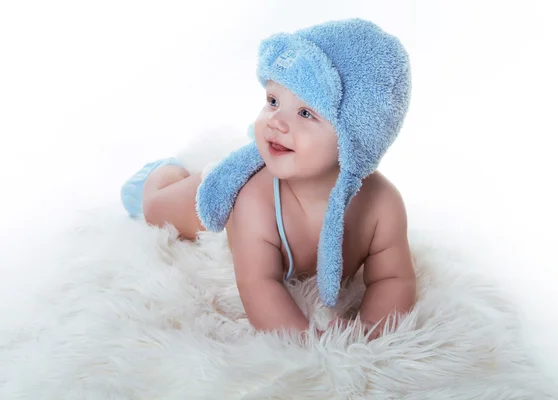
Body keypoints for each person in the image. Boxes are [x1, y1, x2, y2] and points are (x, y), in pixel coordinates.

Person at [120, 18, 416, 340]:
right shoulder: (254, 199)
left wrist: (370, 332)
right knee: (155, 209)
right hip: (224, 194)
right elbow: (258, 282)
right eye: (273, 101)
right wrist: (305, 341)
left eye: (305, 113)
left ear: (357, 136)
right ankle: (168, 171)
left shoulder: (382, 206)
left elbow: (393, 278)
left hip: (284, 164)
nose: (276, 121)